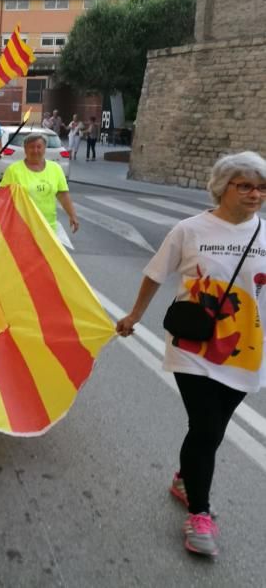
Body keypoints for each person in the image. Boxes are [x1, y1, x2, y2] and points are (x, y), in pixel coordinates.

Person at [115, 152, 266, 558]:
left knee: (213, 431)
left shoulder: (264, 234)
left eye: (261, 187)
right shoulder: (190, 229)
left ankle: (186, 479)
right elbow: (155, 273)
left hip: (244, 347)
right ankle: (200, 512)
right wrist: (134, 315)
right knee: (204, 427)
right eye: (246, 186)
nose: (255, 194)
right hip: (193, 344)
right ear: (223, 187)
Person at [0, 133, 79, 233]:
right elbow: (1, 196)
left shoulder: (55, 169)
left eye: (39, 147)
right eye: (31, 147)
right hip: (22, 227)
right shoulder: (13, 170)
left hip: (48, 227)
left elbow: (63, 194)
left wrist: (72, 215)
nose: (35, 150)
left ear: (44, 148)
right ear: (25, 149)